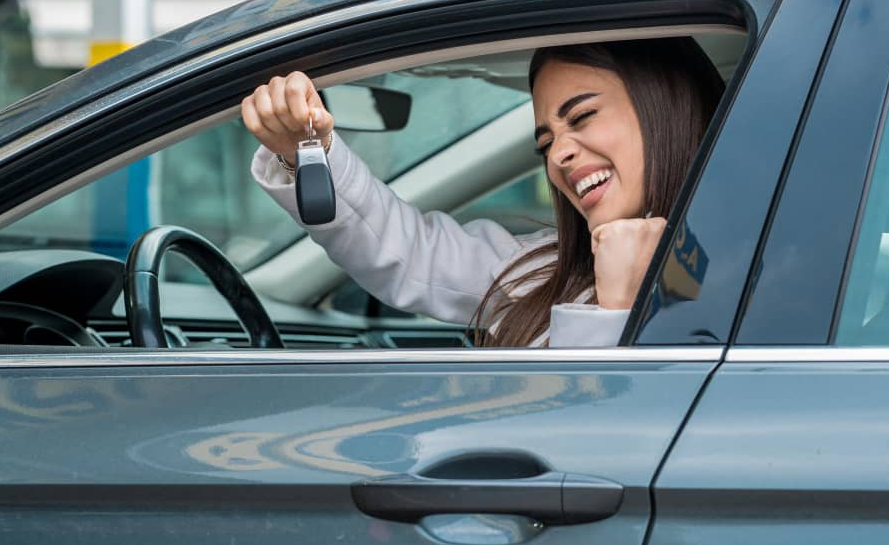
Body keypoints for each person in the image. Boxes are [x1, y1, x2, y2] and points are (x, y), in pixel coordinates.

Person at [243, 37, 724, 347]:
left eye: (581, 118)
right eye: (546, 142)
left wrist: (617, 308)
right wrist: (306, 150)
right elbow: (410, 254)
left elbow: (594, 449)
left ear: (667, 110)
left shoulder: (751, 286)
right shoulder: (544, 271)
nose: (559, 156)